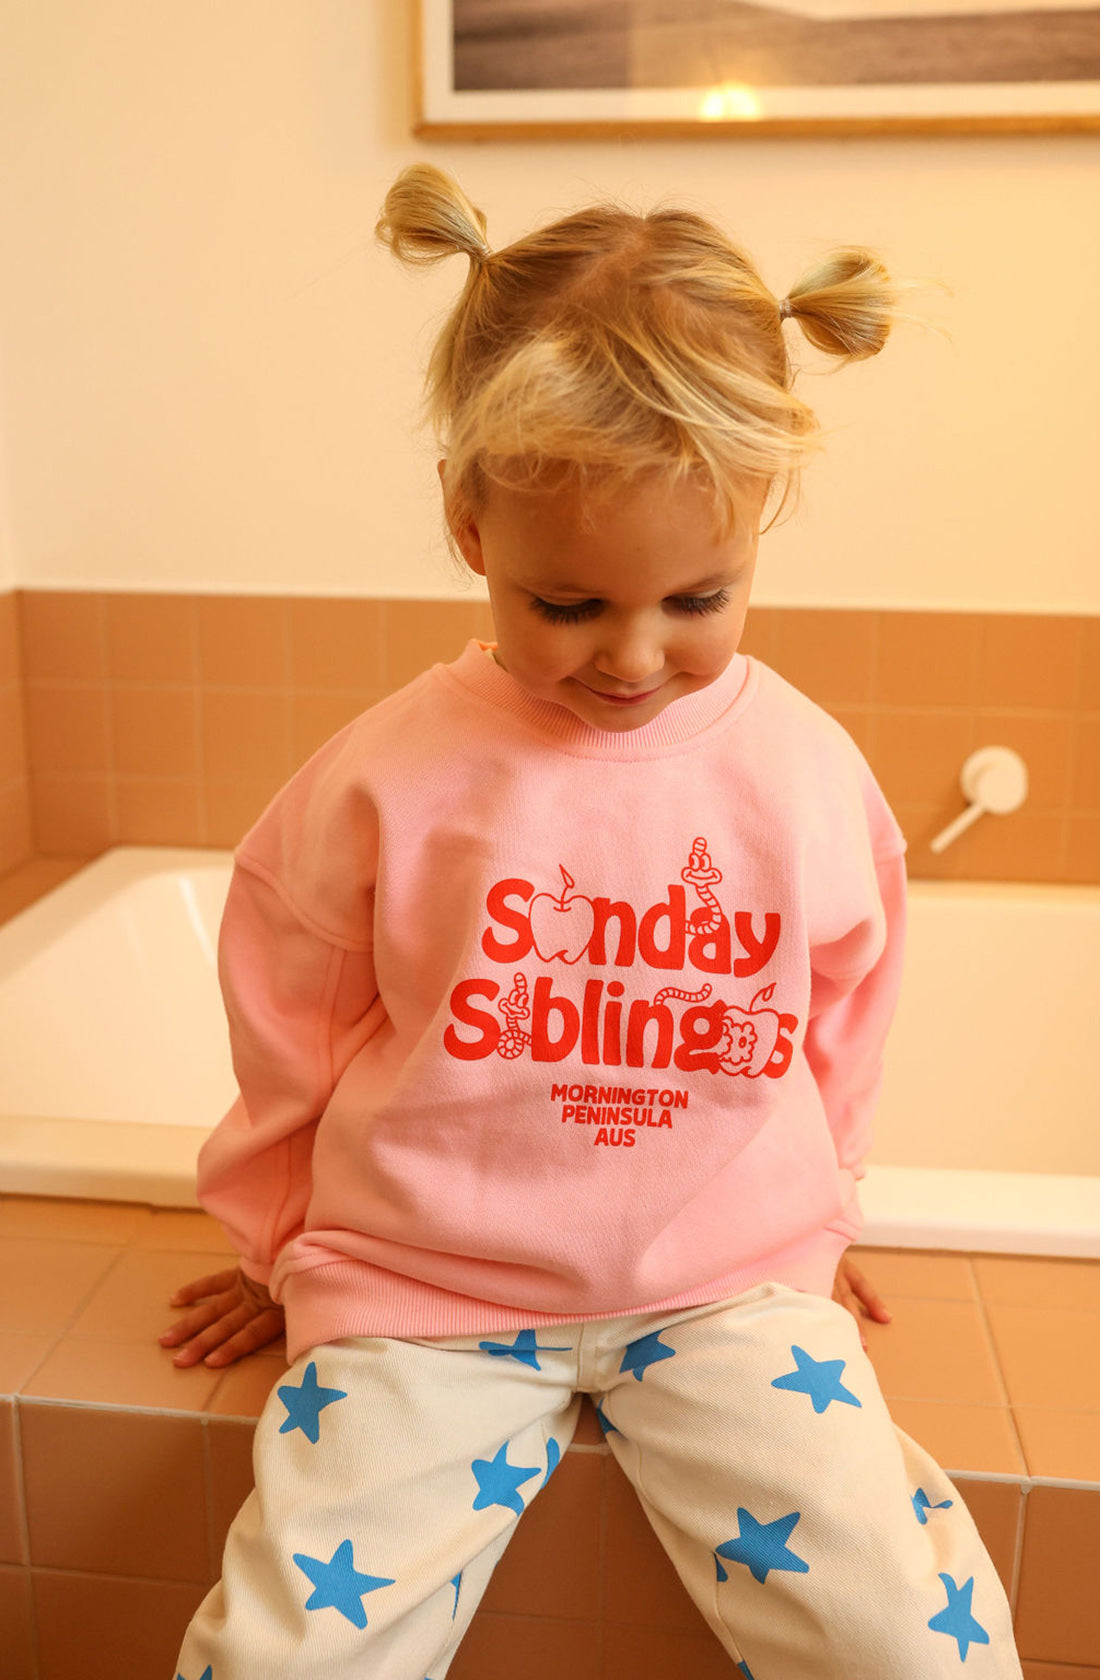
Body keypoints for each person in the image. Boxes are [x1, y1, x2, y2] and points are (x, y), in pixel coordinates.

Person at [165, 163, 1024, 1679]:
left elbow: (846, 1008)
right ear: (469, 524)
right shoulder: (387, 774)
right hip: (427, 1296)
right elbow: (285, 1010)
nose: (633, 658)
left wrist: (819, 1210)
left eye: (701, 597)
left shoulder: (807, 772)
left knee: (908, 1640)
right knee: (280, 1657)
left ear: (762, 522)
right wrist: (275, 1244)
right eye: (569, 607)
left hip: (723, 1290)